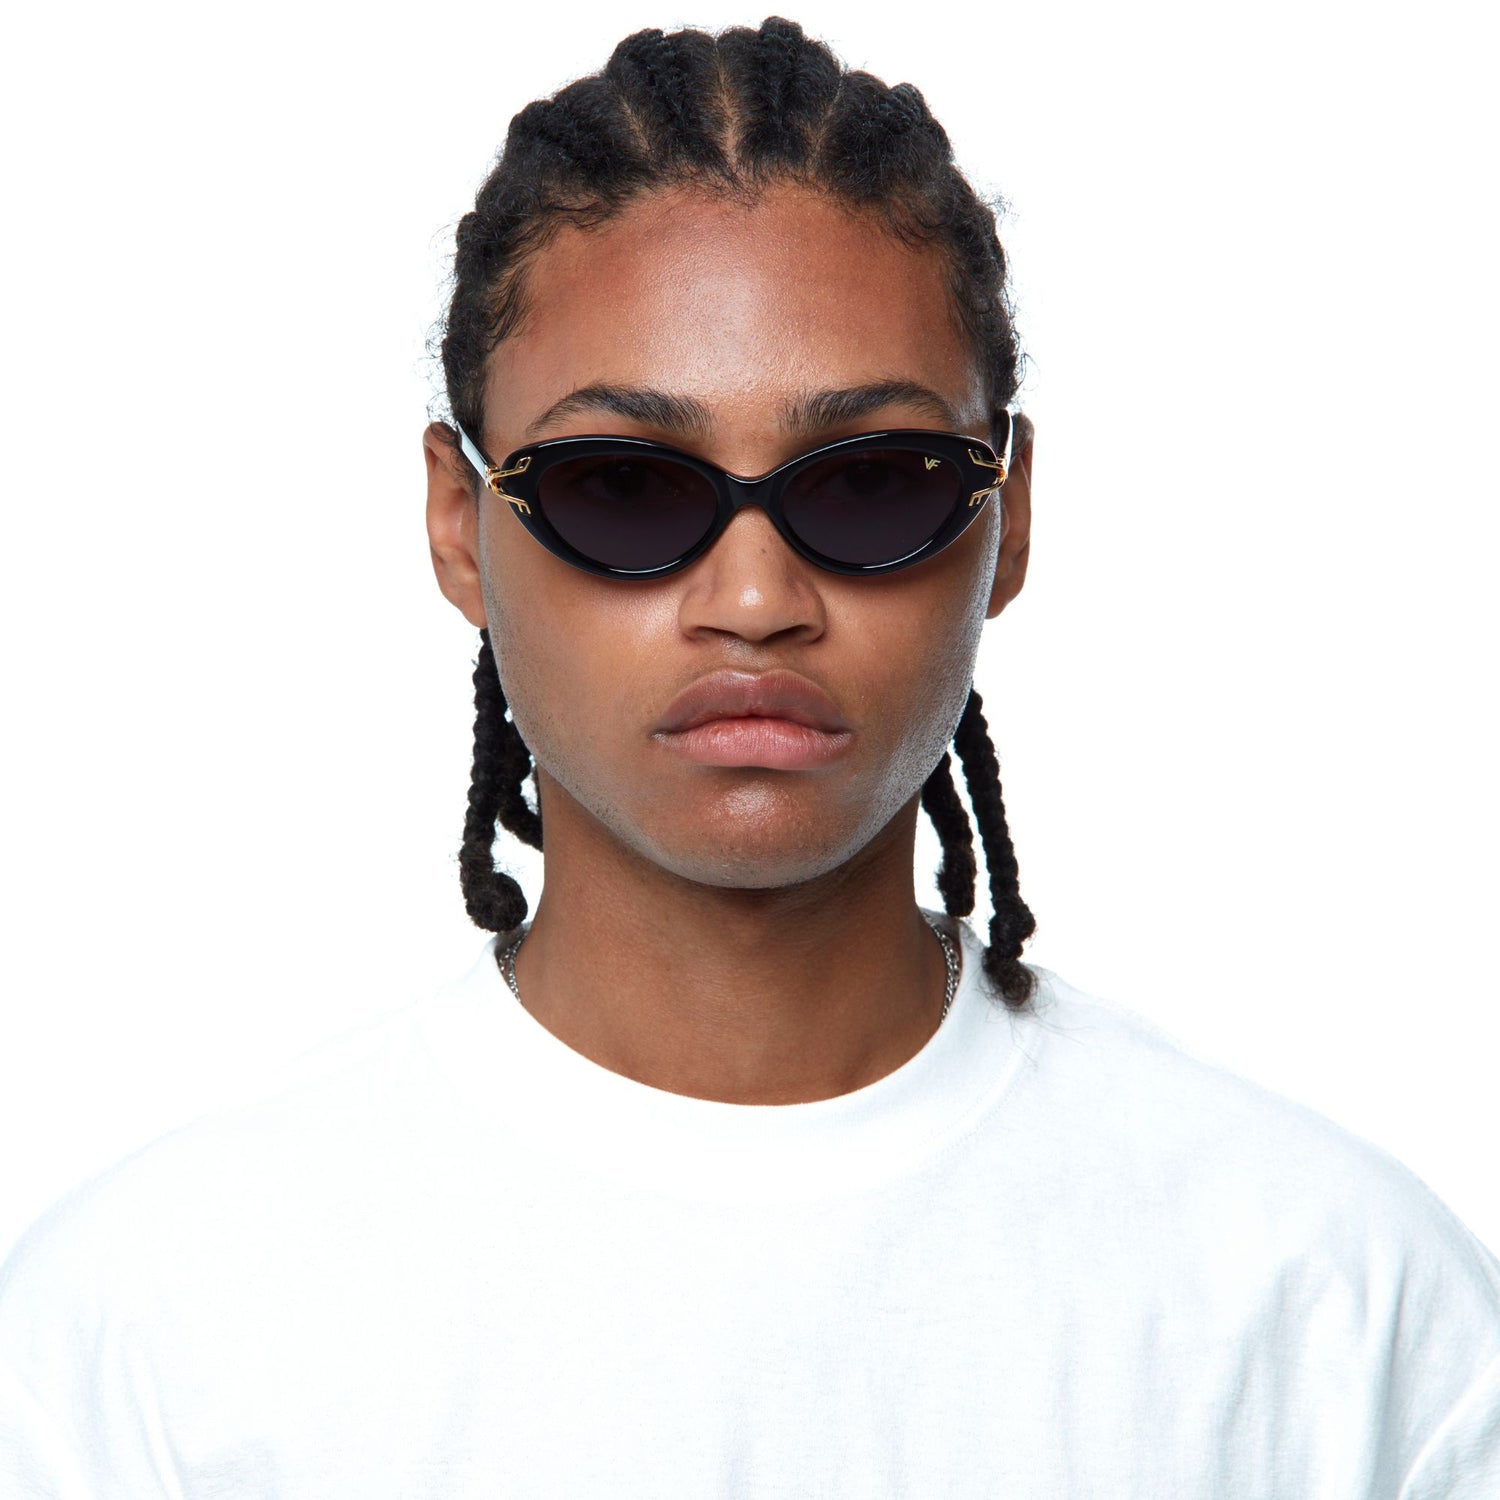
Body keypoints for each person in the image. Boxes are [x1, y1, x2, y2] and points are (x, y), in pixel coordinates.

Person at [2, 15, 1497, 1497]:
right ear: (460, 523)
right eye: (623, 487)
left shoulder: (1339, 1309)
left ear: (1010, 516)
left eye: (875, 481)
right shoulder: (146, 1338)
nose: (757, 598)